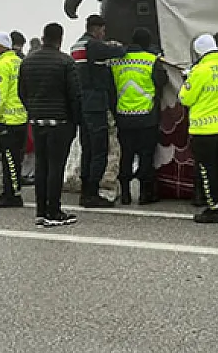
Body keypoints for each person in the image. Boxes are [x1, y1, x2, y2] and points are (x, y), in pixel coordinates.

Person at [19, 23, 80, 228]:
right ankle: (54, 211)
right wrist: (76, 121)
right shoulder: (65, 62)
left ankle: (40, 211)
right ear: (60, 39)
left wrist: (33, 110)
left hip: (37, 121)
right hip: (60, 122)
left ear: (43, 37)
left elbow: (22, 91)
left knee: (41, 165)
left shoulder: (27, 61)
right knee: (56, 167)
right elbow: (74, 96)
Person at [179, 35, 218, 223]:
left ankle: (215, 208)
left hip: (204, 129)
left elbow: (185, 98)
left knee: (208, 170)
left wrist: (187, 79)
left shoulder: (199, 71)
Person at [71, 14, 126, 208]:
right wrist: (116, 45)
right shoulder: (92, 45)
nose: (103, 34)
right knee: (99, 150)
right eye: (102, 31)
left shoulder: (76, 45)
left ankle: (86, 190)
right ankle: (92, 193)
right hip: (95, 103)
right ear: (97, 29)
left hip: (82, 103)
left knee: (87, 149)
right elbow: (120, 52)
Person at [110, 28, 167, 205]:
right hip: (146, 116)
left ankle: (125, 194)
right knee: (145, 155)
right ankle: (144, 194)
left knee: (126, 154)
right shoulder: (151, 60)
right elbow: (162, 81)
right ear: (147, 43)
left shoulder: (117, 61)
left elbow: (111, 86)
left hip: (124, 115)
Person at [0, 32, 29, 208]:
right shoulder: (19, 61)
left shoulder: (2, 65)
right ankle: (11, 190)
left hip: (8, 120)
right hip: (21, 117)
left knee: (9, 159)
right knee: (16, 158)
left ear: (2, 45)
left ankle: (12, 195)